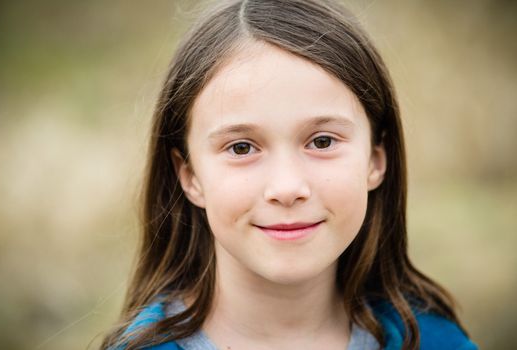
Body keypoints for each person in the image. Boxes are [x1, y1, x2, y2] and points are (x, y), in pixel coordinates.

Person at [100, 0, 478, 349]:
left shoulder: (435, 340)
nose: (287, 188)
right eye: (241, 148)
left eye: (323, 141)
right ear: (190, 175)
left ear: (375, 160)